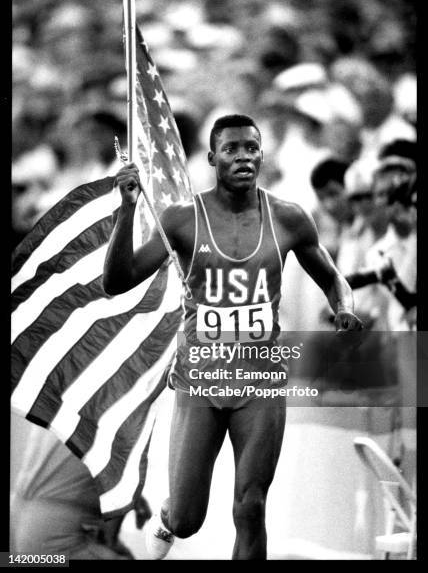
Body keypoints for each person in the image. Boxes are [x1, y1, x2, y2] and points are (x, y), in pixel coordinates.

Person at [103, 114, 363, 560]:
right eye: (231, 149)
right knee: (188, 519)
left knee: (251, 506)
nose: (243, 156)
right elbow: (118, 280)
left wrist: (344, 308)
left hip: (260, 382)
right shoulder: (183, 219)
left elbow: (334, 278)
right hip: (200, 382)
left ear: (262, 155)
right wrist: (127, 210)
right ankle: (169, 517)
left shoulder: (289, 217)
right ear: (212, 159)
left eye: (251, 148)